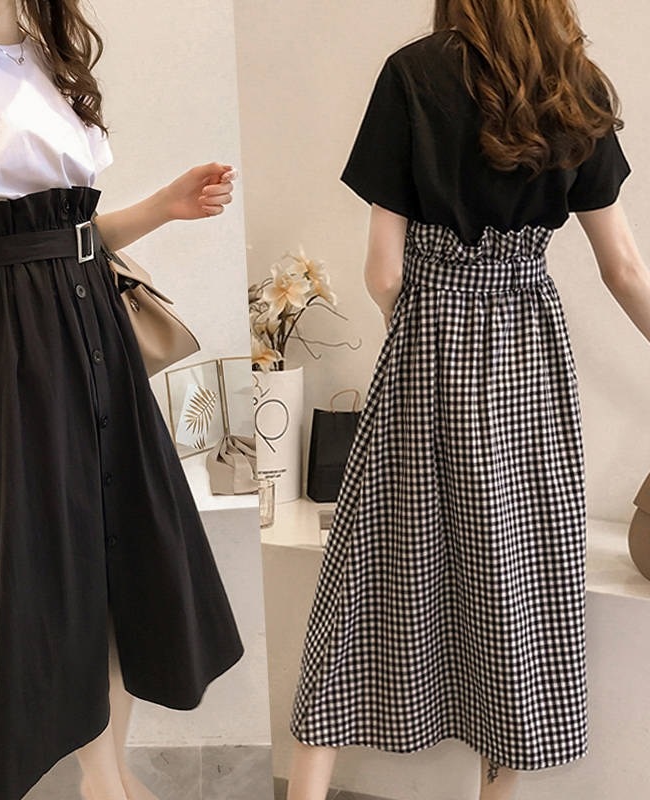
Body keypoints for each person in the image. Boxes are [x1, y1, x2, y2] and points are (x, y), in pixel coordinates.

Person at [0, 1, 245, 799]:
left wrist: (163, 206)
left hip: (96, 323)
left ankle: (112, 773)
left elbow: (73, 233)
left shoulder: (47, 54)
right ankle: (103, 784)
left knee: (124, 555)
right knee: (56, 565)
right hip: (15, 342)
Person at [286, 2, 650, 800]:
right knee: (519, 570)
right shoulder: (575, 83)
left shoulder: (413, 72)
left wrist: (423, 333)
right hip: (529, 355)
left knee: (367, 568)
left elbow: (384, 271)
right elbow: (623, 266)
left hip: (428, 345)